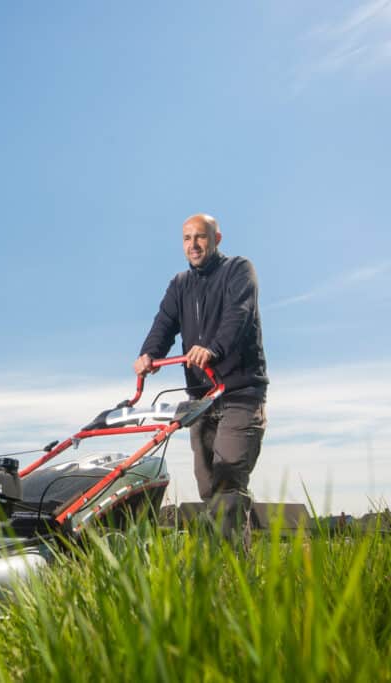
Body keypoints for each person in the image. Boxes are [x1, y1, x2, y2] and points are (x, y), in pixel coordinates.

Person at [134, 213, 268, 544]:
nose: (193, 245)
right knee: (208, 485)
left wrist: (212, 348)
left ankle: (235, 571)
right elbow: (164, 323)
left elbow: (239, 315)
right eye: (187, 238)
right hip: (201, 399)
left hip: (240, 393)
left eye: (201, 237)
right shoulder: (180, 284)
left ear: (216, 239)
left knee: (227, 480)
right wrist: (149, 354)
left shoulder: (239, 270)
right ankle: (221, 566)